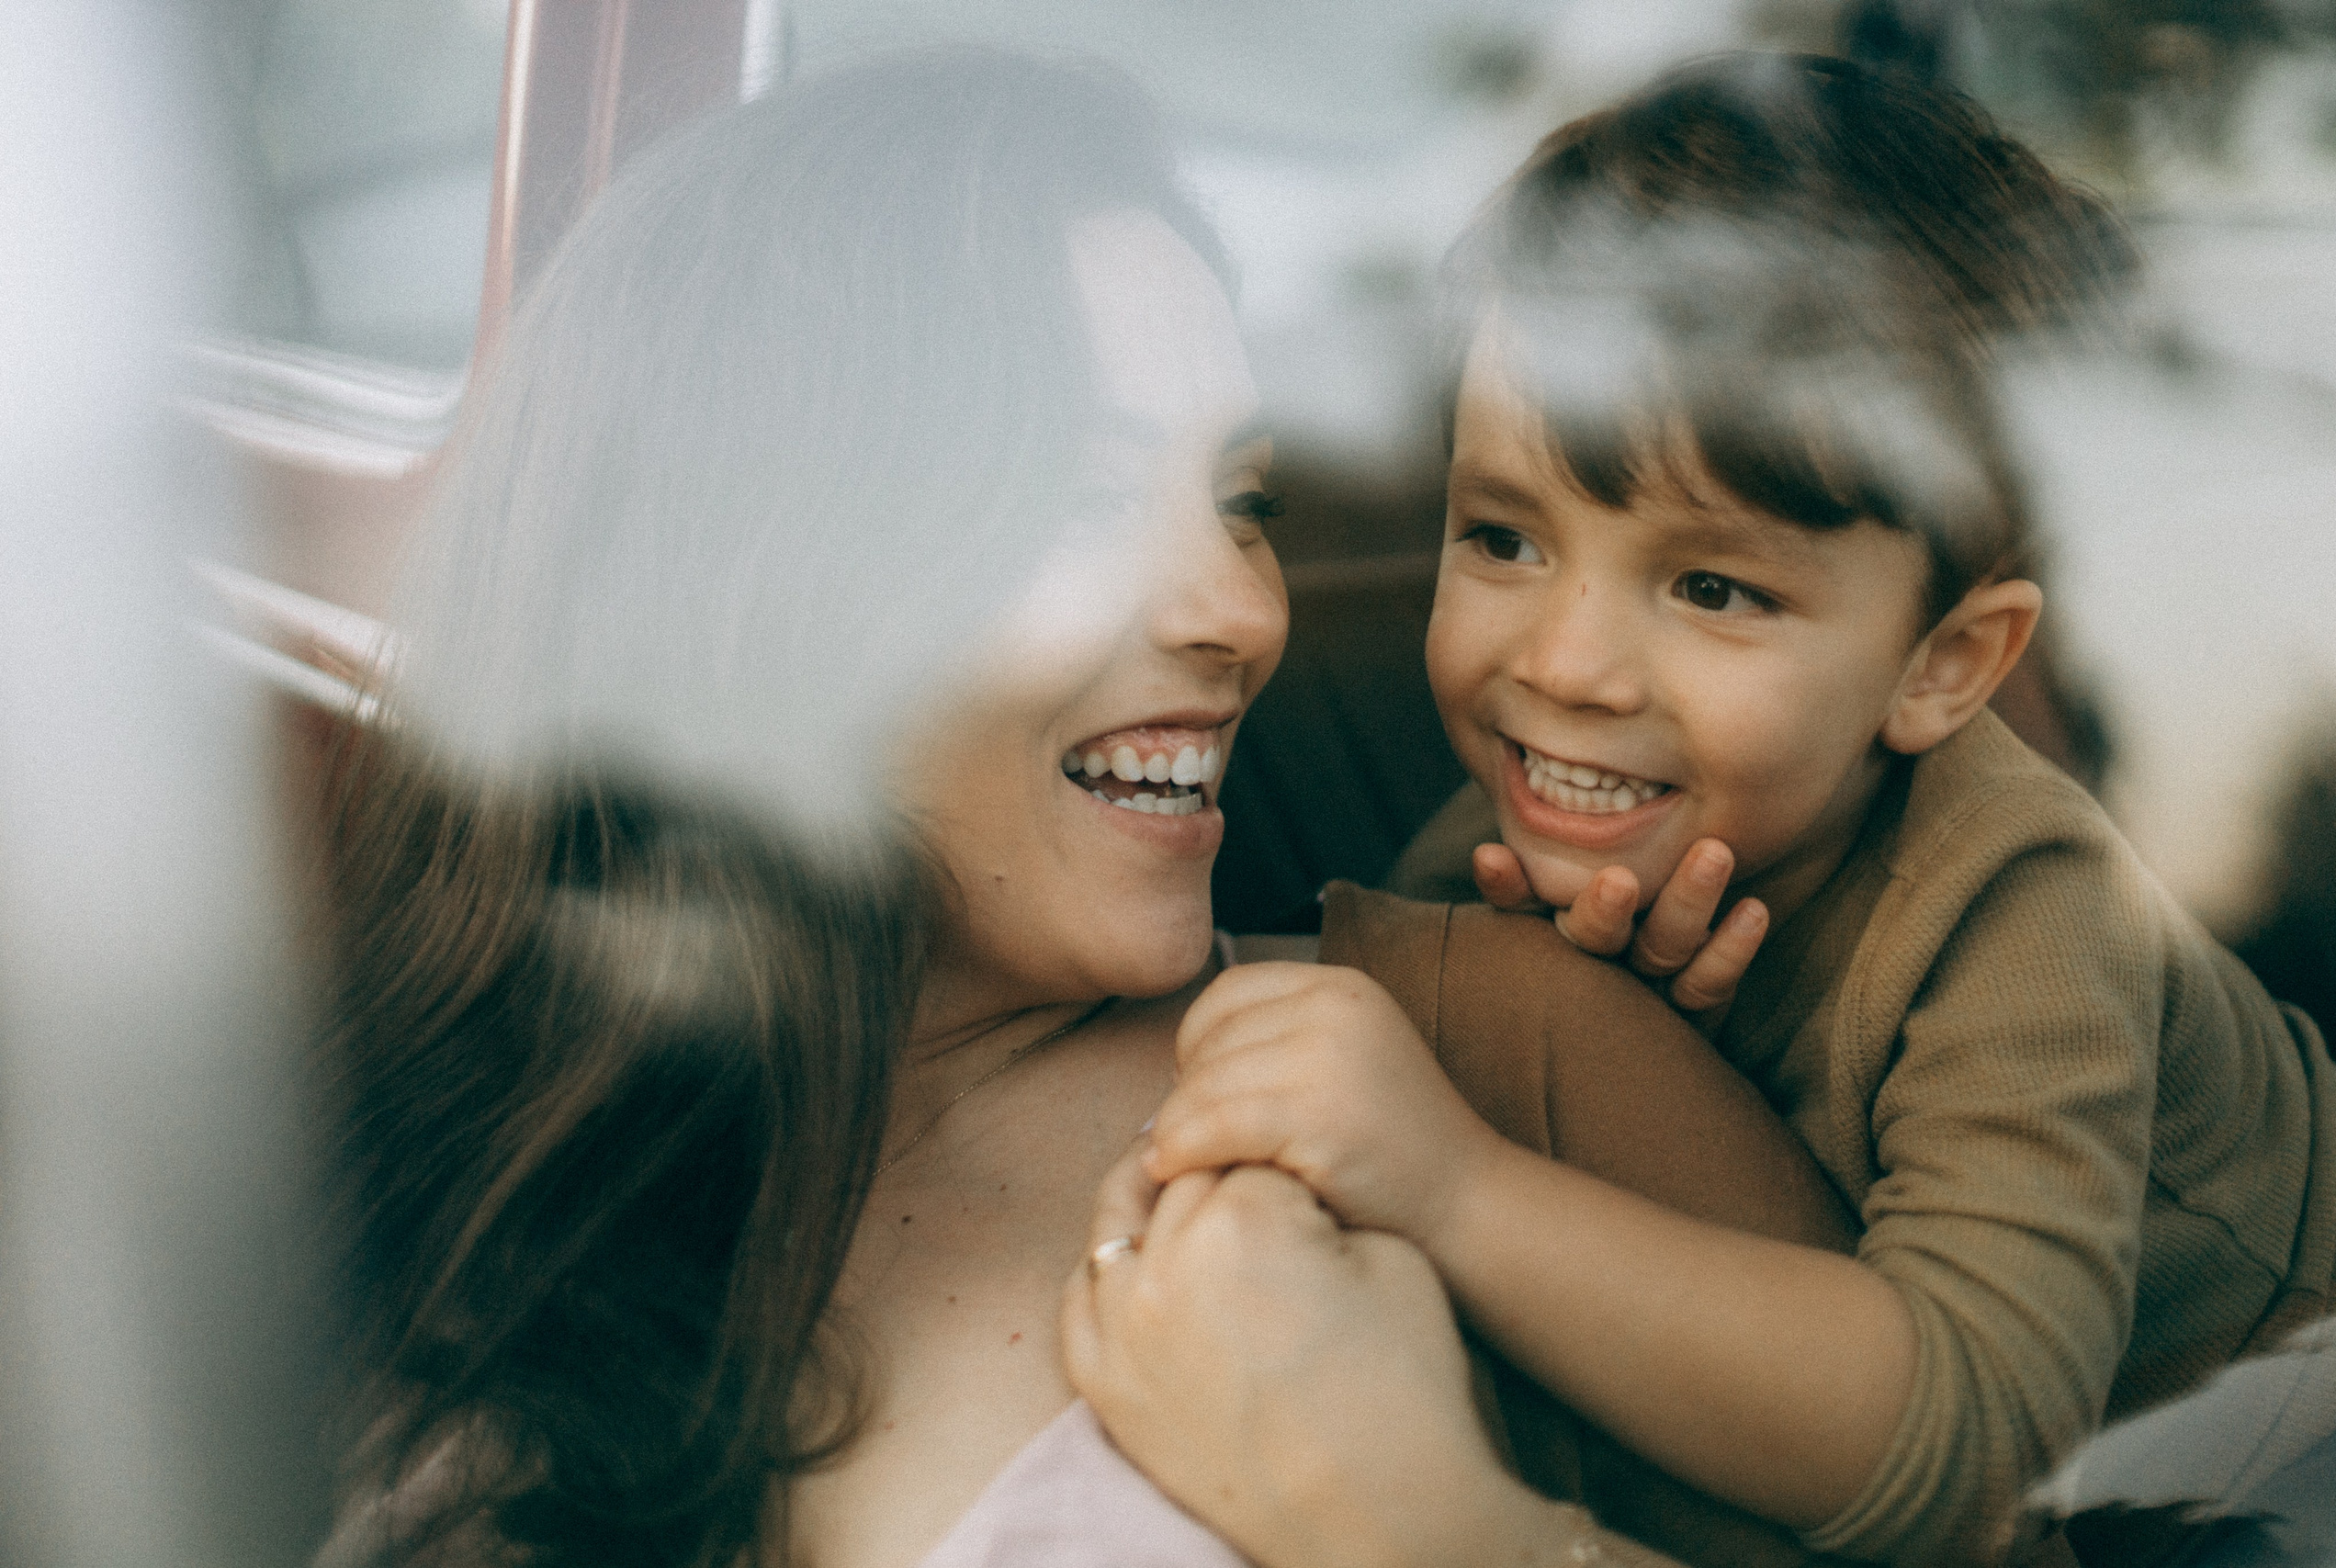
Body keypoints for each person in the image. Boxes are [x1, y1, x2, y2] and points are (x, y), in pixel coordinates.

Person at [315, 48, 1852, 1568]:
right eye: (1081, 497)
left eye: (1238, 504)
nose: (1241, 613)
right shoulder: (422, 1187)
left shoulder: (1489, 1059)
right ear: (767, 584)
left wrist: (1458, 1542)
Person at [1133, 53, 2336, 1568]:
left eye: (1711, 586)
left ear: (1942, 665)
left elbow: (1969, 1439)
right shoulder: (1505, 840)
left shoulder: (2027, 916)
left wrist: (1456, 1186)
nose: (1564, 664)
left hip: (2282, 1414)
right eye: (1504, 537)